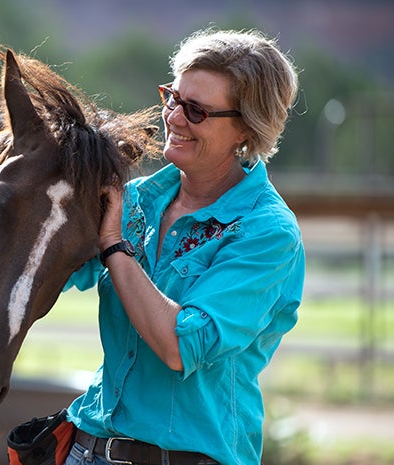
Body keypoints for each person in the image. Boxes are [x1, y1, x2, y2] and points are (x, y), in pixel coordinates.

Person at [62, 28, 304, 465]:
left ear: (247, 128)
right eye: (172, 97)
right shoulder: (133, 200)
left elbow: (179, 346)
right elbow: (51, 269)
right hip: (85, 447)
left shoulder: (267, 233)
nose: (173, 118)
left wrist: (114, 246)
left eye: (196, 110)